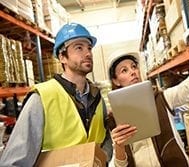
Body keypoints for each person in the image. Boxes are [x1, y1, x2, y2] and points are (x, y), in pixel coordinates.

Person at [106, 0, 189, 166]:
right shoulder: (115, 120)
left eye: (133, 66)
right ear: (116, 81)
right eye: (124, 71)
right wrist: (119, 147)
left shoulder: (162, 99)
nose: (133, 71)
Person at [0, 23, 112, 166]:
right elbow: (14, 161)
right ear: (62, 57)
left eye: (89, 48)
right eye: (79, 48)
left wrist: (102, 158)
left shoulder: (97, 98)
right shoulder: (42, 98)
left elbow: (105, 140)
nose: (88, 53)